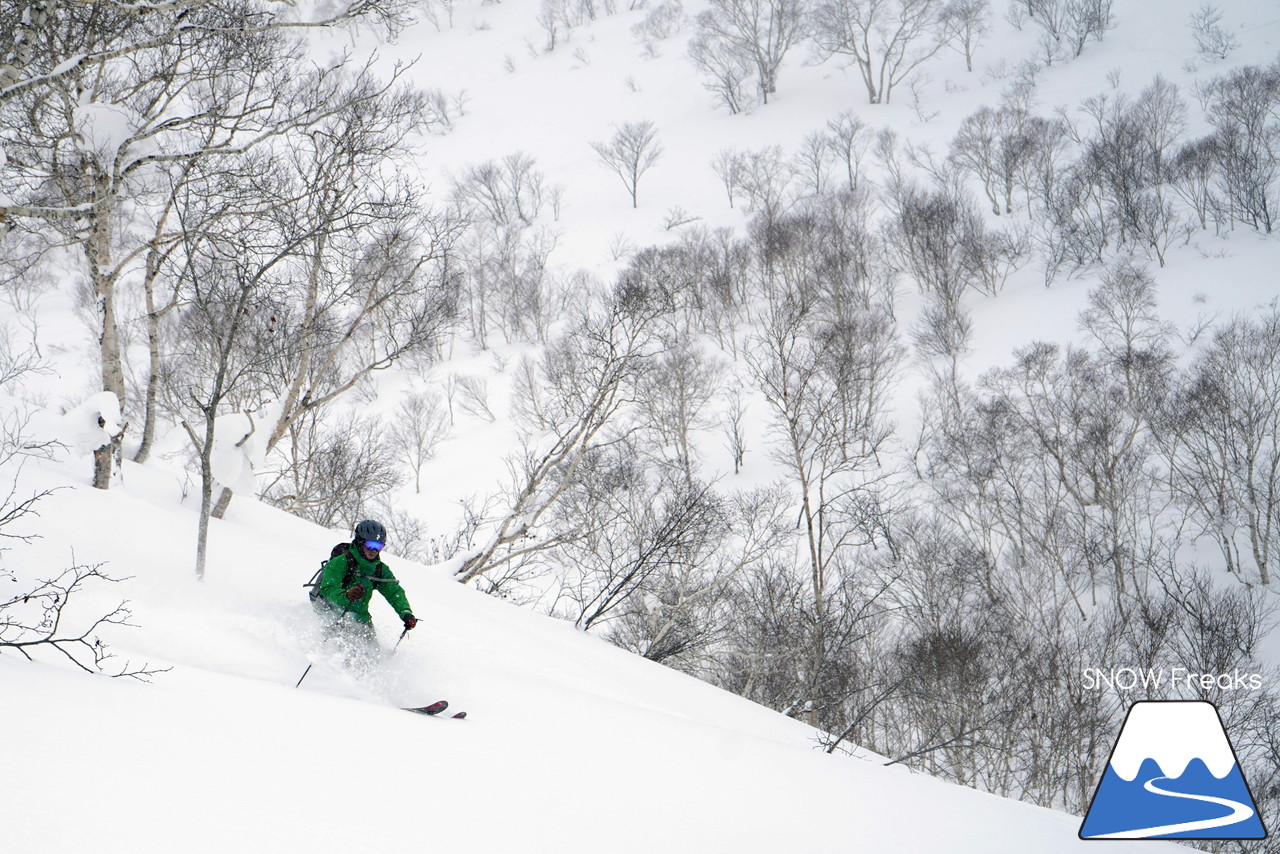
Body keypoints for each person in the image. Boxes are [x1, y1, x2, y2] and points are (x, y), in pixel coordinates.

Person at [313, 519, 418, 657]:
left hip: (361, 618)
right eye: (370, 545)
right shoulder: (341, 562)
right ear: (360, 541)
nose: (373, 551)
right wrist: (346, 595)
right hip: (331, 611)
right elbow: (327, 589)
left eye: (379, 546)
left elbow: (394, 592)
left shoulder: (379, 569)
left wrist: (405, 613)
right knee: (340, 652)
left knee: (373, 655)